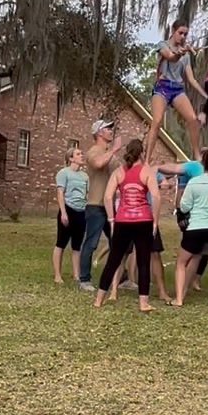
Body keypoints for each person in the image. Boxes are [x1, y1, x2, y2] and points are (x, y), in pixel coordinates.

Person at [95, 138, 160, 313]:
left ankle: (99, 300)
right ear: (142, 153)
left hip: (122, 221)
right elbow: (156, 196)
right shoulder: (146, 171)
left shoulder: (118, 172)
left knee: (113, 260)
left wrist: (111, 219)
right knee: (143, 262)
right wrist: (156, 220)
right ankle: (143, 303)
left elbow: (108, 197)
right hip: (143, 221)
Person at [146, 22, 207, 160]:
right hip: (162, 87)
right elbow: (170, 57)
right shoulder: (163, 45)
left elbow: (191, 79)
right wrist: (179, 53)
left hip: (177, 89)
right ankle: (147, 160)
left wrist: (206, 95)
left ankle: (197, 156)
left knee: (192, 118)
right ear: (173, 31)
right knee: (157, 121)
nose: (183, 36)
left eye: (185, 34)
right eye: (180, 33)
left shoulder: (185, 55)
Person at [175, 144, 208, 305]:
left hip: (196, 227)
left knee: (181, 263)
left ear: (202, 163)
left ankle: (178, 300)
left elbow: (184, 207)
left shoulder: (194, 182)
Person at [79, 119, 123, 289]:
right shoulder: (93, 151)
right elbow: (98, 163)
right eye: (107, 128)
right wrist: (114, 149)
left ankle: (122, 277)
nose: (111, 131)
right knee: (91, 242)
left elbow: (121, 172)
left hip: (110, 206)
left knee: (118, 242)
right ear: (98, 133)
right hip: (95, 205)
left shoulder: (110, 154)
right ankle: (84, 279)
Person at [53, 143, 89, 285]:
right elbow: (60, 192)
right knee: (61, 243)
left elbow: (88, 193)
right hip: (68, 209)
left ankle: (76, 275)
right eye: (78, 154)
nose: (82, 156)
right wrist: (63, 212)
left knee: (77, 245)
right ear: (71, 158)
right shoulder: (64, 173)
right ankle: (57, 275)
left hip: (81, 211)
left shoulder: (85, 176)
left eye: (81, 154)